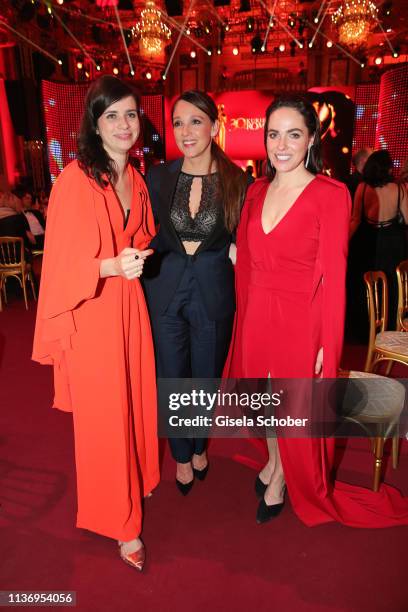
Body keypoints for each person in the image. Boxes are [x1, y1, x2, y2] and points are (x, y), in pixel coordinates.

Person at [224, 95, 408, 527]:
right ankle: (272, 460)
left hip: (299, 320)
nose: (281, 145)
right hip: (255, 317)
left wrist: (327, 342)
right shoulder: (255, 190)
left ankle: (281, 480)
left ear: (311, 139)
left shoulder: (330, 194)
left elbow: (333, 278)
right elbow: (249, 260)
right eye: (273, 134)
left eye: (293, 134)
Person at [32, 76, 159, 570]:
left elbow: (141, 232)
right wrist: (109, 265)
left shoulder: (136, 176)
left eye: (130, 114)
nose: (124, 125)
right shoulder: (75, 180)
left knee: (134, 403)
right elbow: (59, 267)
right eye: (112, 116)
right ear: (95, 123)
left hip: (129, 308)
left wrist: (138, 256)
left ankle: (132, 485)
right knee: (105, 420)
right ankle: (122, 525)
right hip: (92, 315)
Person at [143, 90, 246, 495]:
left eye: (196, 121)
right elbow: (147, 232)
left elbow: (246, 238)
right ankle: (182, 456)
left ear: (214, 126)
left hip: (213, 291)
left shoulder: (238, 180)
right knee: (172, 377)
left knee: (205, 378)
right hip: (165, 290)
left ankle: (200, 443)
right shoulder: (157, 176)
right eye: (178, 123)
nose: (186, 131)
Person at [349, 150, 408, 334]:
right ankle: (390, 327)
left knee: (367, 285)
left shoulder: (362, 188)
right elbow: (407, 219)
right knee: (391, 284)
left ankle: (367, 328)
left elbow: (355, 220)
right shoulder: (399, 189)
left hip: (368, 241)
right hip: (393, 243)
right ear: (387, 168)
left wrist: (345, 242)